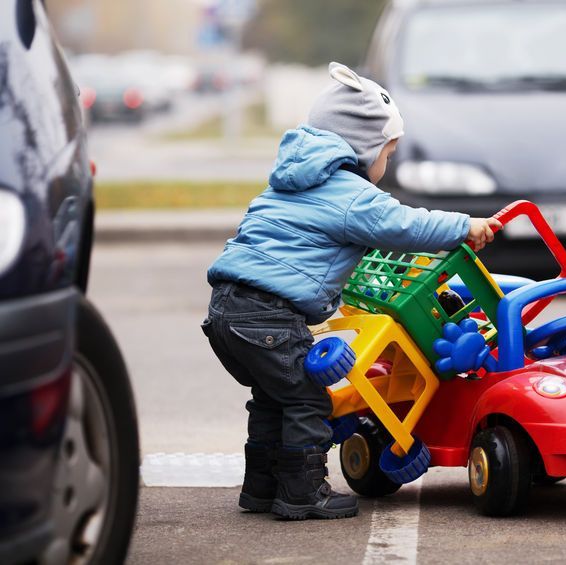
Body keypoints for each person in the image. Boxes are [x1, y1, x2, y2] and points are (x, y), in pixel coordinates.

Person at [201, 62, 502, 520]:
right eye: (387, 152)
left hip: (226, 309)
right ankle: (302, 494)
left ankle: (260, 489)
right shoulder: (349, 193)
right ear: (364, 147)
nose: (387, 163)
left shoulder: (286, 183)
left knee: (271, 399)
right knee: (306, 398)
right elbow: (403, 224)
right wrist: (466, 226)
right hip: (270, 316)